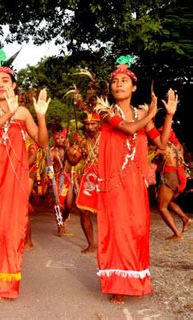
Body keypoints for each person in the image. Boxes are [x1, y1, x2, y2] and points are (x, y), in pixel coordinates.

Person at [95, 56, 177, 304]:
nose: (119, 85)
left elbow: (161, 143)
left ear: (133, 87)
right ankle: (117, 285)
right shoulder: (104, 110)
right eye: (115, 81)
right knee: (116, 231)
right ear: (111, 88)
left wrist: (168, 115)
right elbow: (129, 129)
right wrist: (149, 115)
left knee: (137, 231)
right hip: (113, 182)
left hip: (135, 183)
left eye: (124, 81)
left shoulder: (143, 113)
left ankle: (134, 280)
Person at [0, 59, 49, 300]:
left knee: (12, 226)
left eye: (5, 80)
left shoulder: (24, 112)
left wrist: (41, 117)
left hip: (14, 177)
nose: (0, 85)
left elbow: (42, 142)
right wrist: (7, 113)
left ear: (14, 85)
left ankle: (7, 284)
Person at [67, 112, 101, 253]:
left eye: (93, 124)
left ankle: (107, 244)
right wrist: (68, 150)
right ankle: (91, 244)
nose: (90, 127)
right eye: (87, 124)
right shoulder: (82, 142)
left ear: (99, 124)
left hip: (104, 178)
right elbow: (74, 161)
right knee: (83, 211)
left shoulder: (106, 139)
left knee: (105, 213)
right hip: (88, 180)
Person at [156, 127, 192, 239]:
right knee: (169, 201)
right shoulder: (179, 146)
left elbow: (150, 158)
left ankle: (177, 234)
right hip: (179, 177)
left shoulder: (164, 146)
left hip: (170, 177)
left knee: (162, 207)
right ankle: (185, 218)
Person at [49, 126, 74, 235]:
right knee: (58, 204)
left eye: (62, 137)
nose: (60, 140)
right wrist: (51, 183)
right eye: (58, 138)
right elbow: (48, 168)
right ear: (54, 139)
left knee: (68, 205)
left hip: (69, 178)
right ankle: (60, 225)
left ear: (65, 137)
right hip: (58, 180)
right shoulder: (52, 152)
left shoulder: (71, 149)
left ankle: (62, 220)